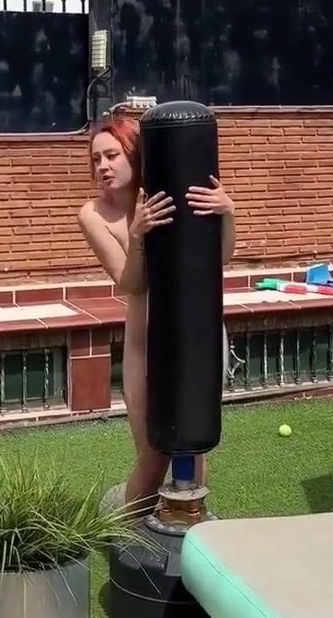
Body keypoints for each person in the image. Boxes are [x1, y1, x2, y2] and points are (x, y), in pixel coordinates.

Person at [77, 117, 236, 514]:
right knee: (152, 455)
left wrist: (227, 212)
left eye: (112, 155)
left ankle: (188, 533)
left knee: (192, 447)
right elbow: (130, 282)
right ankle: (124, 535)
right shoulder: (93, 214)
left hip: (194, 331)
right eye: (96, 159)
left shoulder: (170, 194)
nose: (103, 167)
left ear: (135, 156)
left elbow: (219, 258)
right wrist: (137, 235)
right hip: (145, 342)